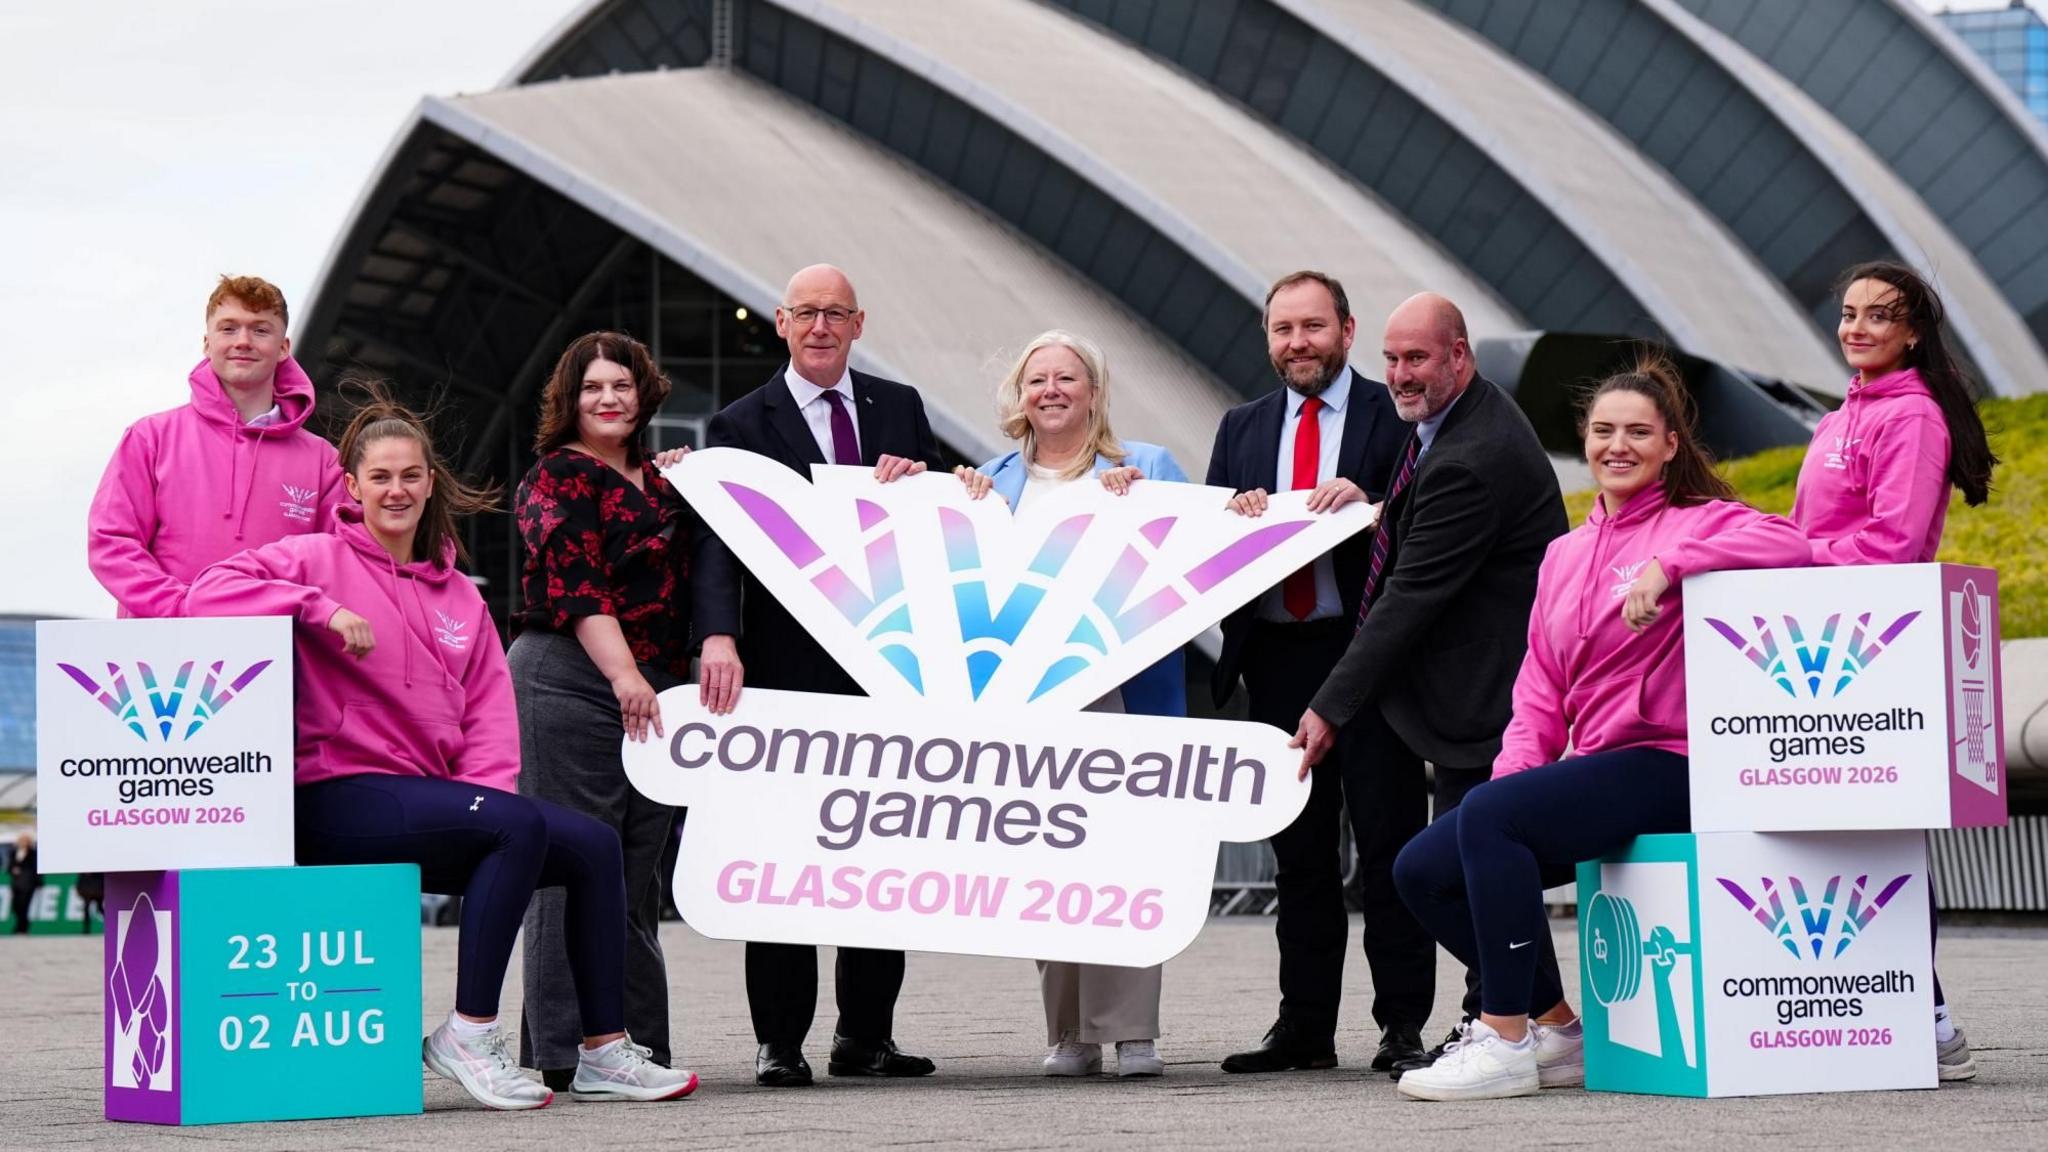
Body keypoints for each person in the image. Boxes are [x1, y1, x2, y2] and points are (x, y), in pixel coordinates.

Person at [183, 386, 697, 1110]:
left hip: (428, 805)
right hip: (332, 796)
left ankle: (603, 1051)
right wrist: (318, 609)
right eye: (381, 477)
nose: (397, 490)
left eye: (411, 475)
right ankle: (469, 1033)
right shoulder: (311, 558)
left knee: (589, 845)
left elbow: (490, 719)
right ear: (352, 485)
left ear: (432, 484)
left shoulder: (459, 596)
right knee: (516, 821)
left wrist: (483, 803)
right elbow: (207, 592)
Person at [1391, 356, 1812, 1101]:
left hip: (1672, 762)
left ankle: (1504, 1037)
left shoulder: (1699, 523)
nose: (1619, 446)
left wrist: (1673, 565)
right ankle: (1557, 1030)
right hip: (1596, 765)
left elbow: (1793, 546)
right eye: (1604, 431)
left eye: (1639, 432)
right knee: (1424, 867)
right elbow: (1541, 687)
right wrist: (1514, 778)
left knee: (1486, 821)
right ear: (1584, 441)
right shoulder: (1564, 553)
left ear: (1671, 445)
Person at [696, 264, 945, 1087]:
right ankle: (780, 1041)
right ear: (779, 321)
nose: (821, 327)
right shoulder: (738, 423)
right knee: (785, 855)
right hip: (779, 668)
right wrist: (719, 636)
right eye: (806, 313)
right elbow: (719, 542)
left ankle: (865, 1036)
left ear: (859, 323)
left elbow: (943, 524)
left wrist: (929, 490)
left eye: (836, 313)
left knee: (878, 853)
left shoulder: (900, 409)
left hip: (885, 668)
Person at [1204, 272, 1418, 1075]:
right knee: (1299, 858)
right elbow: (1214, 546)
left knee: (1390, 843)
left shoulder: (1391, 418)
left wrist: (1368, 501)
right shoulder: (1241, 427)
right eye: (1282, 329)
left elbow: (1423, 520)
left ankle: (1401, 1026)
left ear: (1348, 330)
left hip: (1367, 658)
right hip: (1277, 659)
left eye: (1312, 327)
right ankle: (1304, 1026)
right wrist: (1236, 521)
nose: (1297, 343)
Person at [509, 331, 736, 1090]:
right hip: (572, 679)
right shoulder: (557, 477)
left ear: (645, 395)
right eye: (592, 387)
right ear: (569, 400)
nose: (608, 398)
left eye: (622, 385)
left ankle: (638, 1045)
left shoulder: (666, 483)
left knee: (634, 876)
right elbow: (578, 588)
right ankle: (563, 1054)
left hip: (656, 690)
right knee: (571, 865)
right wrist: (623, 675)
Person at [959, 330, 1187, 1078]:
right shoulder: (987, 480)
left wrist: (1147, 508)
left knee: (1124, 857)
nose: (1050, 390)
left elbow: (1196, 557)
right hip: (1028, 698)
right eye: (1036, 380)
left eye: (1066, 377)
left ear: (1094, 390)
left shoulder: (1146, 467)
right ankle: (1069, 1032)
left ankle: (1133, 1031)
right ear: (1019, 398)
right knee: (1046, 858)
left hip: (1124, 692)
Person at [1792, 261, 1999, 1082]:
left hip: (1876, 653)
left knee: (1883, 841)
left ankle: (1930, 1017)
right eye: (1848, 313)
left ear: (1913, 331)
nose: (1857, 327)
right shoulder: (1845, 411)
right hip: (1827, 648)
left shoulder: (1910, 416)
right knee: (1852, 842)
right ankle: (1921, 1013)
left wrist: (1792, 559)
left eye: (1879, 316)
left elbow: (1897, 544)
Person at [88, 276, 347, 617]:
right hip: (161, 650)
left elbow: (342, 562)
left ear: (284, 347)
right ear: (207, 343)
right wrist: (182, 608)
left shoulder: (323, 461)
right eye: (228, 329)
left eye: (260, 330)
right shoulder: (150, 437)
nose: (243, 341)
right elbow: (112, 542)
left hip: (276, 654)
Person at [8, 833, 38, 935]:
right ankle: (19, 926)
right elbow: (10, 866)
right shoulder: (14, 852)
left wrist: (38, 882)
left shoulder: (33, 853)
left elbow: (35, 868)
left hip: (28, 884)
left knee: (25, 906)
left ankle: (22, 928)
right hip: (16, 884)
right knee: (16, 906)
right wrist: (13, 870)